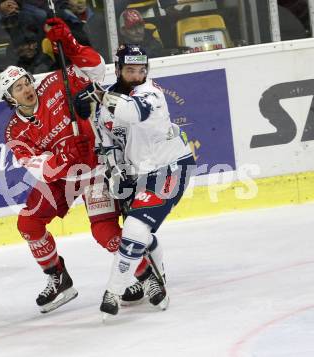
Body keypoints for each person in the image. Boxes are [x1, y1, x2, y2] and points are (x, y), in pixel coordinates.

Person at [0, 19, 150, 313]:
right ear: (10, 98)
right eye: (18, 88)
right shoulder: (14, 132)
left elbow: (96, 67)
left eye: (27, 81)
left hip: (94, 169)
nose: (26, 88)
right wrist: (66, 159)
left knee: (105, 232)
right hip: (64, 179)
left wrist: (69, 43)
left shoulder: (57, 82)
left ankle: (139, 273)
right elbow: (38, 167)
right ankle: (58, 278)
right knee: (28, 223)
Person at [74, 44, 196, 318]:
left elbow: (133, 113)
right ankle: (157, 277)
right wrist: (116, 172)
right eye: (130, 70)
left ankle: (112, 293)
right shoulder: (104, 106)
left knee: (134, 228)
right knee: (141, 233)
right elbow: (108, 144)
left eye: (141, 69)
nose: (137, 74)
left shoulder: (151, 93)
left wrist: (98, 95)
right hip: (137, 173)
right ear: (118, 70)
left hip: (170, 168)